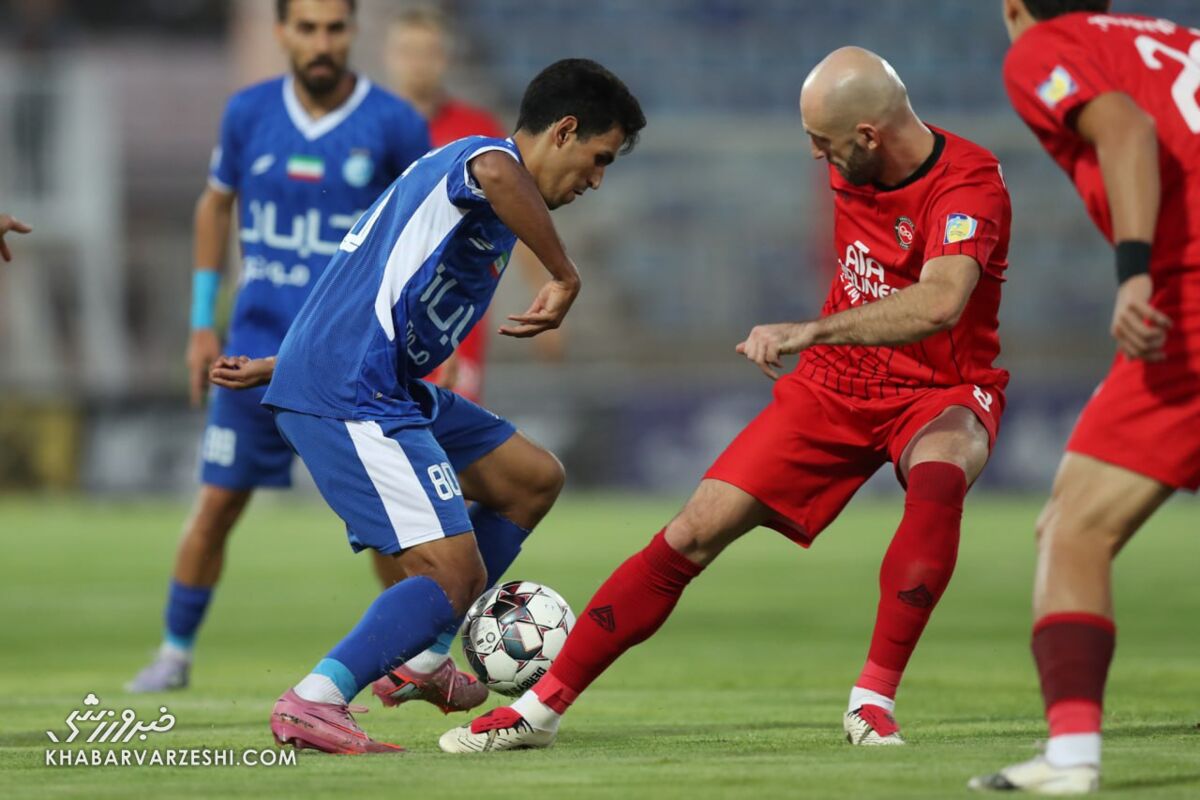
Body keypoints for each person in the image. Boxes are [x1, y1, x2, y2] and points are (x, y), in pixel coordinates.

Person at [440, 46, 1013, 754]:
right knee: (692, 531)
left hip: (941, 387)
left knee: (940, 475)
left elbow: (941, 302)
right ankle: (539, 710)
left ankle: (872, 701)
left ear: (868, 135)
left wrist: (809, 330)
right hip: (838, 384)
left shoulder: (968, 183)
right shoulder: (849, 164)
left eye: (823, 141)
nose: (815, 155)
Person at [208, 58, 645, 753]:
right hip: (352, 388)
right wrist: (564, 275)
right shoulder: (486, 162)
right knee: (454, 572)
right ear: (564, 131)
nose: (595, 181)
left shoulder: (470, 188)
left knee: (532, 479)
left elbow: (362, 267)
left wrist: (283, 361)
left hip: (375, 377)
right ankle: (314, 700)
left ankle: (422, 660)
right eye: (599, 159)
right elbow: (497, 172)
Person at [125, 0, 434, 695]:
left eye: (334, 28)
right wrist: (201, 323)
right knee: (216, 505)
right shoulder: (249, 112)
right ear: (282, 33)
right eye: (308, 28)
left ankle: (413, 660)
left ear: (352, 32)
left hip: (348, 366)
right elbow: (215, 203)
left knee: (385, 525)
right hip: (252, 353)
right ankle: (173, 654)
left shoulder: (393, 123)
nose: (321, 42)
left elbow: (423, 231)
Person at [971, 2, 1200, 794]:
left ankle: (1071, 758)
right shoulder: (1177, 40)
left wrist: (1134, 273)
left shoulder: (1044, 48)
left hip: (1188, 302)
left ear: (1013, 7)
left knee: (1074, 529)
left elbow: (1128, 130)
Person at [384, 6, 563, 406]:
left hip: (451, 313)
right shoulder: (368, 129)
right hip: (380, 311)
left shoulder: (477, 131)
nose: (418, 63)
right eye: (408, 51)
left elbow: (519, 214)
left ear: (444, 58)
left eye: (428, 51)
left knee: (452, 426)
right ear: (390, 57)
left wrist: (543, 285)